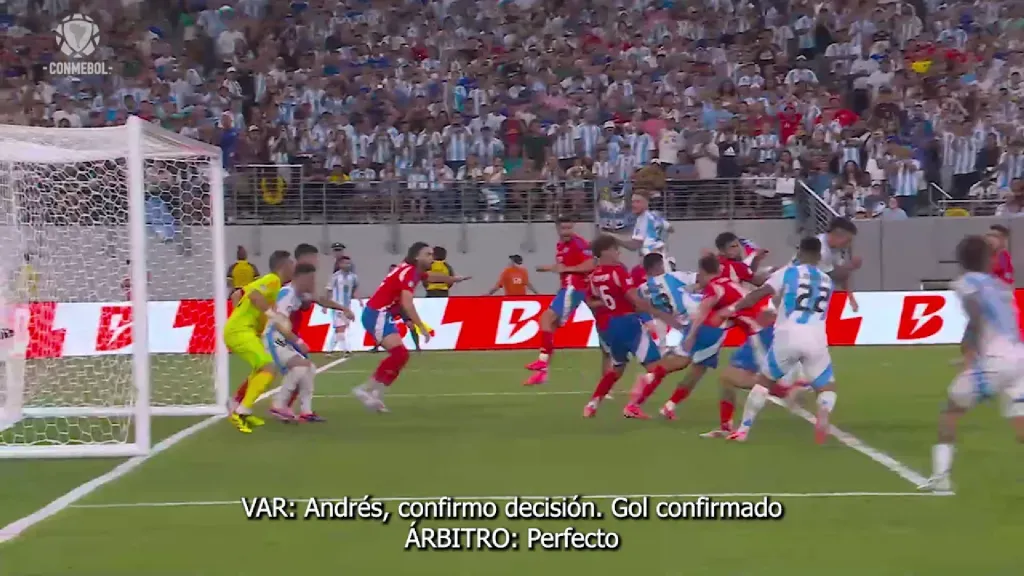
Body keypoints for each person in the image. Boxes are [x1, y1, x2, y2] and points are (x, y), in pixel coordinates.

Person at [920, 235, 1024, 493]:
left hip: (993, 362)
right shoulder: (1001, 287)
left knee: (950, 411)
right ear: (989, 260)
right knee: (1021, 424)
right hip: (1019, 360)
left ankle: (941, 477)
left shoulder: (966, 282)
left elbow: (976, 314)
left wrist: (971, 352)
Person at [725, 236, 838, 444]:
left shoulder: (788, 273)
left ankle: (743, 430)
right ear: (819, 256)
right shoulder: (826, 280)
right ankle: (823, 410)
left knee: (764, 382)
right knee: (826, 387)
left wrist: (732, 308)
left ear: (801, 253)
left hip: (788, 335)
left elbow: (758, 294)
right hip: (816, 337)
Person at [354, 243, 463, 412]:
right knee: (399, 354)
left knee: (401, 356)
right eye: (428, 254)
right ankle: (366, 389)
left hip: (382, 314)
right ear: (417, 256)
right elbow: (407, 303)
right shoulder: (409, 272)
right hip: (377, 314)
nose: (431, 258)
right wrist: (421, 327)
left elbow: (430, 277)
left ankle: (376, 393)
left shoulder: (412, 271)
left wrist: (451, 279)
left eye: (432, 254)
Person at [582, 236, 681, 418]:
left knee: (617, 368)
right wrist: (659, 313)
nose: (618, 252)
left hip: (610, 327)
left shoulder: (593, 276)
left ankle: (592, 404)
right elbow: (634, 299)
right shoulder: (618, 271)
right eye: (615, 249)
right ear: (606, 252)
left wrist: (608, 303)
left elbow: (590, 301)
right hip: (628, 324)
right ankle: (634, 406)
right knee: (657, 368)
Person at [624, 253, 730, 419]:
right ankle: (663, 399)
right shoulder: (675, 276)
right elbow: (704, 280)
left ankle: (649, 399)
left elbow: (639, 305)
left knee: (682, 363)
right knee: (697, 368)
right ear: (660, 265)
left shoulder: (643, 289)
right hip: (704, 319)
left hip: (684, 323)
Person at [223, 250, 297, 434]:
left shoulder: (272, 284)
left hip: (243, 330)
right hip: (239, 331)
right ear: (284, 266)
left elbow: (237, 294)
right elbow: (255, 296)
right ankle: (240, 411)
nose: (294, 268)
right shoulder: (272, 280)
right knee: (268, 367)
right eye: (291, 264)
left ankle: (243, 411)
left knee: (261, 369)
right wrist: (273, 315)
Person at [525, 219, 595, 386]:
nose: (566, 231)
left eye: (569, 227)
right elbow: (563, 266)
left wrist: (566, 270)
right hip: (567, 288)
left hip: (574, 287)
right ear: (557, 229)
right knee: (551, 327)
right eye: (563, 227)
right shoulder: (561, 246)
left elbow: (590, 264)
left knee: (545, 319)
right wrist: (550, 268)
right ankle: (542, 373)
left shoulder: (579, 244)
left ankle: (542, 361)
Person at [265, 262, 320, 422]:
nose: (312, 283)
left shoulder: (296, 296)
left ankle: (306, 411)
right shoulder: (287, 294)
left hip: (283, 339)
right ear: (300, 278)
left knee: (310, 367)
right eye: (310, 279)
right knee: (300, 366)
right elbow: (277, 322)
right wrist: (298, 341)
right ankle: (278, 404)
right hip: (273, 338)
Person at [327, 255, 359, 355]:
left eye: (349, 263)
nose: (347, 265)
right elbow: (329, 289)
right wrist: (326, 304)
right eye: (345, 263)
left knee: (341, 328)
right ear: (340, 264)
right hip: (337, 306)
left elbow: (354, 289)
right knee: (341, 327)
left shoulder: (353, 277)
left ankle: (329, 350)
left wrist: (356, 299)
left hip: (347, 306)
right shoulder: (335, 276)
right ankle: (347, 350)